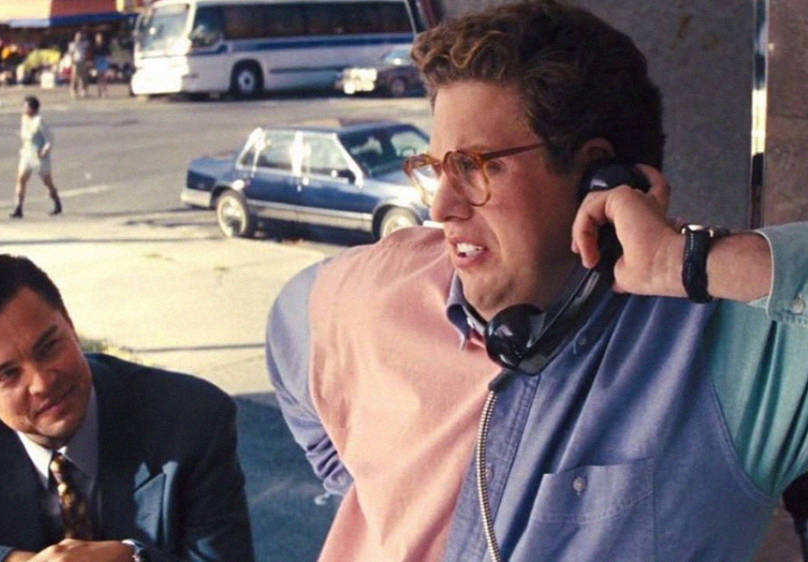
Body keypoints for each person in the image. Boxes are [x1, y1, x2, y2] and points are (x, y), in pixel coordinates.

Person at [266, 1, 808, 560]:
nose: (441, 208)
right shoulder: (379, 289)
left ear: (596, 176)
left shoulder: (722, 349)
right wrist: (360, 491)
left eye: (477, 167)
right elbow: (289, 328)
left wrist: (684, 262)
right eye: (436, 169)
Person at [0, 254, 254, 561]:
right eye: (7, 375)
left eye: (49, 347)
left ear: (70, 325)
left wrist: (133, 558)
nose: (42, 382)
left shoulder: (191, 417)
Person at [11, 96, 62, 218]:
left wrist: (45, 150)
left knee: (47, 182)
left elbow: (49, 139)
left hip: (39, 156)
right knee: (21, 179)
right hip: (26, 153)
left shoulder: (39, 121)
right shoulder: (24, 119)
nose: (24, 109)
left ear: (33, 109)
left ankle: (57, 202)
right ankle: (18, 207)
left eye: (26, 107)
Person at [67, 31, 89, 99]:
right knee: (74, 78)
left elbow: (87, 50)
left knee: (83, 77)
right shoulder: (72, 44)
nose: (79, 38)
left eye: (80, 36)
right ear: (75, 37)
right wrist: (73, 61)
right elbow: (70, 54)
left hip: (82, 62)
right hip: (75, 62)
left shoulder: (84, 44)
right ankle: (73, 91)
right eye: (77, 36)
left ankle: (83, 91)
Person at [92, 32, 110, 98]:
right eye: (97, 38)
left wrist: (107, 59)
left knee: (104, 77)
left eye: (100, 37)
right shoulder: (94, 46)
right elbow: (93, 54)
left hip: (103, 60)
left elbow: (108, 52)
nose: (99, 39)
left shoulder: (104, 45)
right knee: (99, 77)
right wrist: (94, 63)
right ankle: (99, 91)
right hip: (97, 60)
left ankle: (104, 91)